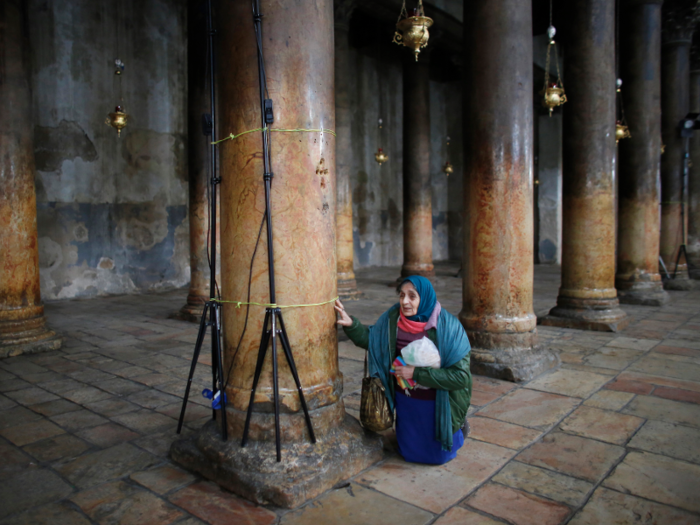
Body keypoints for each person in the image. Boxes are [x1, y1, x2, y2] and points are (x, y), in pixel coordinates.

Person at [335, 275, 472, 465]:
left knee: (438, 455)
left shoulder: (449, 327)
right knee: (408, 449)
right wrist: (352, 325)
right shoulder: (393, 319)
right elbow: (374, 342)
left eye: (412, 296)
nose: (405, 302)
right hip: (406, 401)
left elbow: (461, 377)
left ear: (424, 298)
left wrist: (415, 374)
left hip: (436, 402)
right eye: (401, 295)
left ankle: (457, 429)